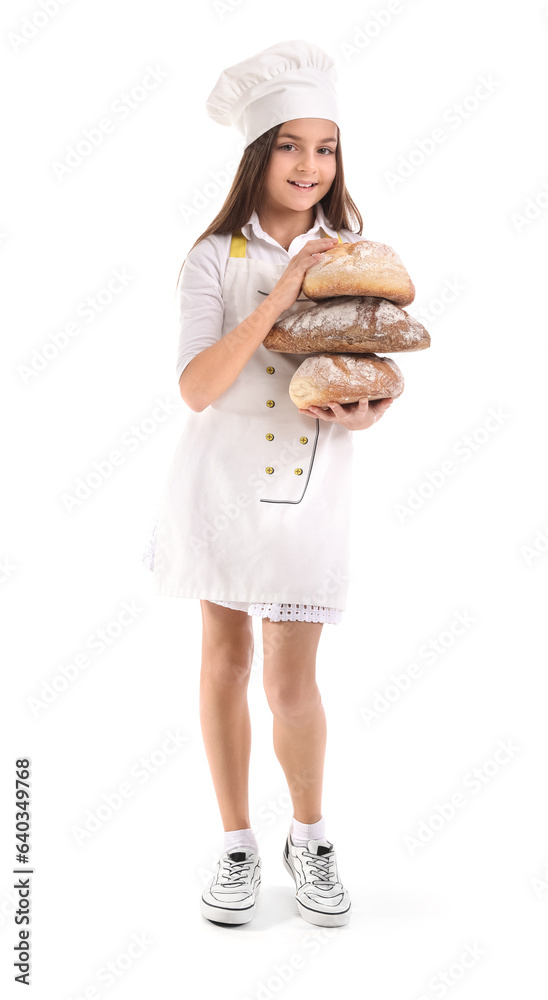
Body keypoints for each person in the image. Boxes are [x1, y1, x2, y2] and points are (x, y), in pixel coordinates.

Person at [141, 40, 395, 928]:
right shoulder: (213, 257)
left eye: (326, 149)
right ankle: (237, 845)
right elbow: (197, 389)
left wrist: (367, 410)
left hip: (314, 485)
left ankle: (312, 837)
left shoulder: (355, 253)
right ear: (259, 154)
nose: (311, 167)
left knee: (293, 683)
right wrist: (278, 297)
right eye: (293, 146)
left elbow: (370, 369)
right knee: (224, 662)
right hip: (218, 483)